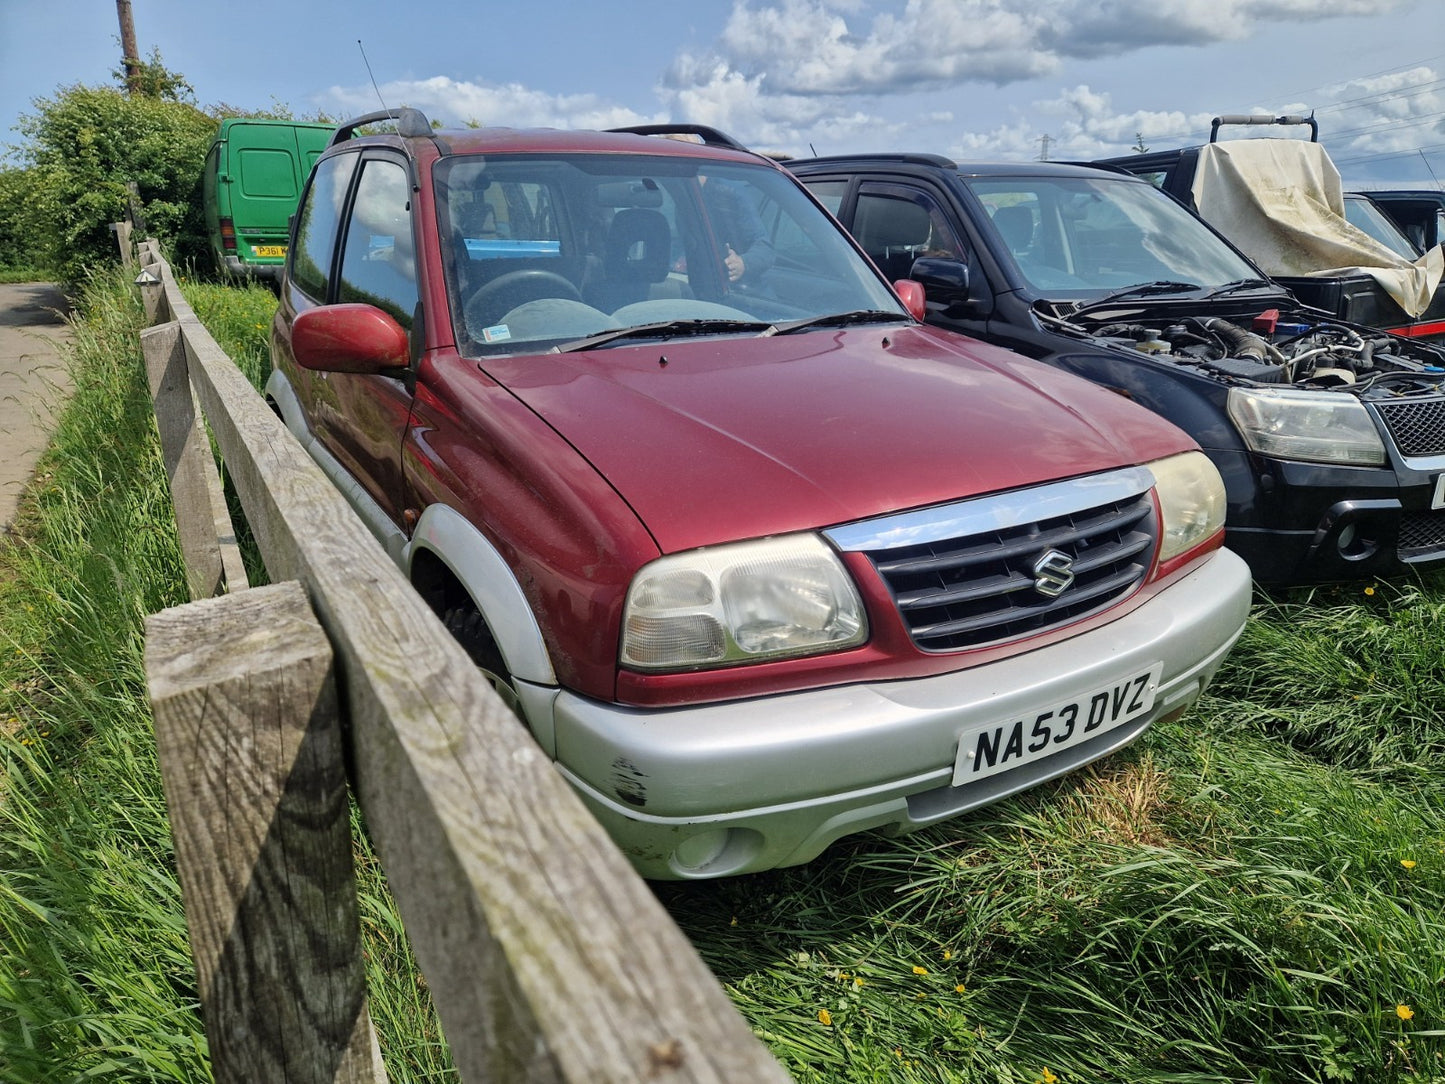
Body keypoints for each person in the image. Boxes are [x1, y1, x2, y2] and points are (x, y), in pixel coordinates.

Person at [699, 173, 775, 286]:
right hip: (700, 288)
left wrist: (742, 263)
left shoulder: (730, 194)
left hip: (745, 292)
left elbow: (765, 249)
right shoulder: (684, 193)